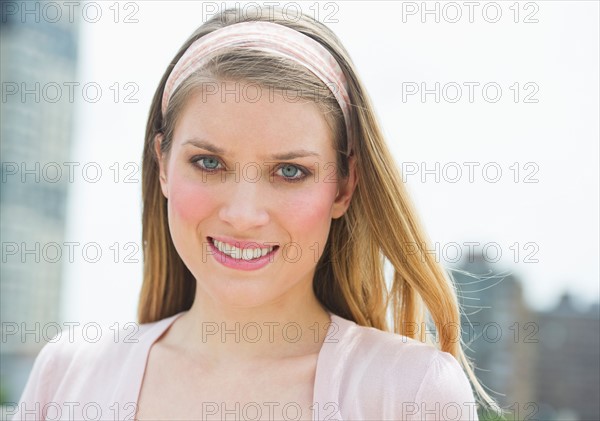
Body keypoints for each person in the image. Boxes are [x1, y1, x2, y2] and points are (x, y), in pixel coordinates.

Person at [12, 6, 501, 421]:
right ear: (162, 165)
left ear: (344, 186)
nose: (244, 215)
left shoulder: (411, 395)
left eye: (289, 172)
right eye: (208, 163)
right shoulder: (67, 378)